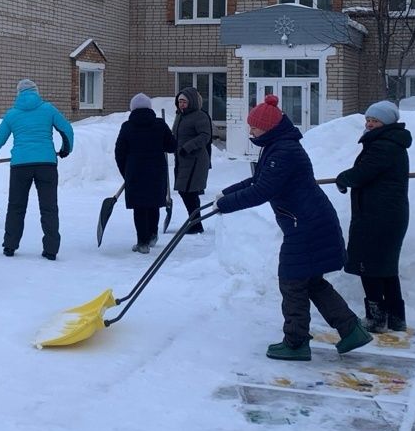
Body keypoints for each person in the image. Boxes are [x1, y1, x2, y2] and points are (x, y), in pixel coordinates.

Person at [214, 94, 371, 360]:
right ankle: (351, 329)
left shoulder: (284, 150)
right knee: (310, 282)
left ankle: (296, 343)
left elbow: (263, 190)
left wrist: (226, 205)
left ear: (269, 127)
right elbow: (257, 180)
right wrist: (224, 194)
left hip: (306, 225)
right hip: (308, 222)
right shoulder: (277, 146)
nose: (250, 131)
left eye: (255, 127)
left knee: (292, 282)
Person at [336, 100, 412, 333]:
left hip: (377, 216)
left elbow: (363, 172)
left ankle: (376, 319)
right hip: (385, 214)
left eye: (375, 120)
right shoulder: (389, 142)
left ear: (386, 123)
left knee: (368, 266)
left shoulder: (384, 146)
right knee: (385, 267)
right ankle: (396, 319)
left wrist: (344, 178)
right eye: (368, 119)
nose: (369, 124)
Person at [0, 78, 73, 260]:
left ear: (19, 94)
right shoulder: (48, 109)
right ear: (36, 92)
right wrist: (65, 149)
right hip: (46, 164)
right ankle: (51, 250)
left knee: (16, 206)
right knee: (49, 207)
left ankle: (9, 246)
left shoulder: (12, 114)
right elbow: (67, 129)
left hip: (20, 165)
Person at [114, 93, 177, 252]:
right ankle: (152, 234)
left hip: (135, 172)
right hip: (157, 171)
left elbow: (119, 152)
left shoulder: (127, 127)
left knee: (139, 207)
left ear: (132, 108)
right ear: (150, 108)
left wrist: (125, 172)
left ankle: (142, 242)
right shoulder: (160, 125)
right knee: (153, 203)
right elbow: (171, 147)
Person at [172, 86, 213, 234]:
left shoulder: (199, 116)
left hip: (195, 159)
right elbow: (176, 134)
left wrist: (187, 147)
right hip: (183, 159)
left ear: (192, 102)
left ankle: (196, 224)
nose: (181, 104)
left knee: (189, 191)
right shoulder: (180, 115)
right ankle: (195, 222)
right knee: (185, 191)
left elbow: (205, 136)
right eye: (179, 101)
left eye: (184, 101)